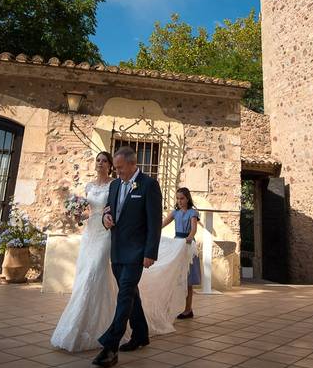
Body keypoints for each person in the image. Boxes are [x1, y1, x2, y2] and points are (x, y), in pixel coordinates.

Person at [50, 151, 193, 356]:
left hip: (136, 251)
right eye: (115, 168)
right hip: (115, 249)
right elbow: (109, 209)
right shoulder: (116, 185)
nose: (117, 172)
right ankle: (141, 334)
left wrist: (150, 252)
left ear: (132, 164)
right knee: (131, 292)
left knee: (124, 293)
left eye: (120, 168)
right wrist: (105, 218)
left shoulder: (149, 185)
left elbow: (154, 223)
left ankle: (110, 345)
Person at [161, 188, 201, 319]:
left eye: (182, 198)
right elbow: (161, 224)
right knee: (174, 277)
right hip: (176, 244)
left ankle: (188, 309)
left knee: (188, 279)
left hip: (188, 246)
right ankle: (170, 306)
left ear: (187, 198)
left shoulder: (192, 213)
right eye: (177, 198)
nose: (179, 201)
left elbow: (193, 230)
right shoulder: (175, 213)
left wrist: (188, 239)